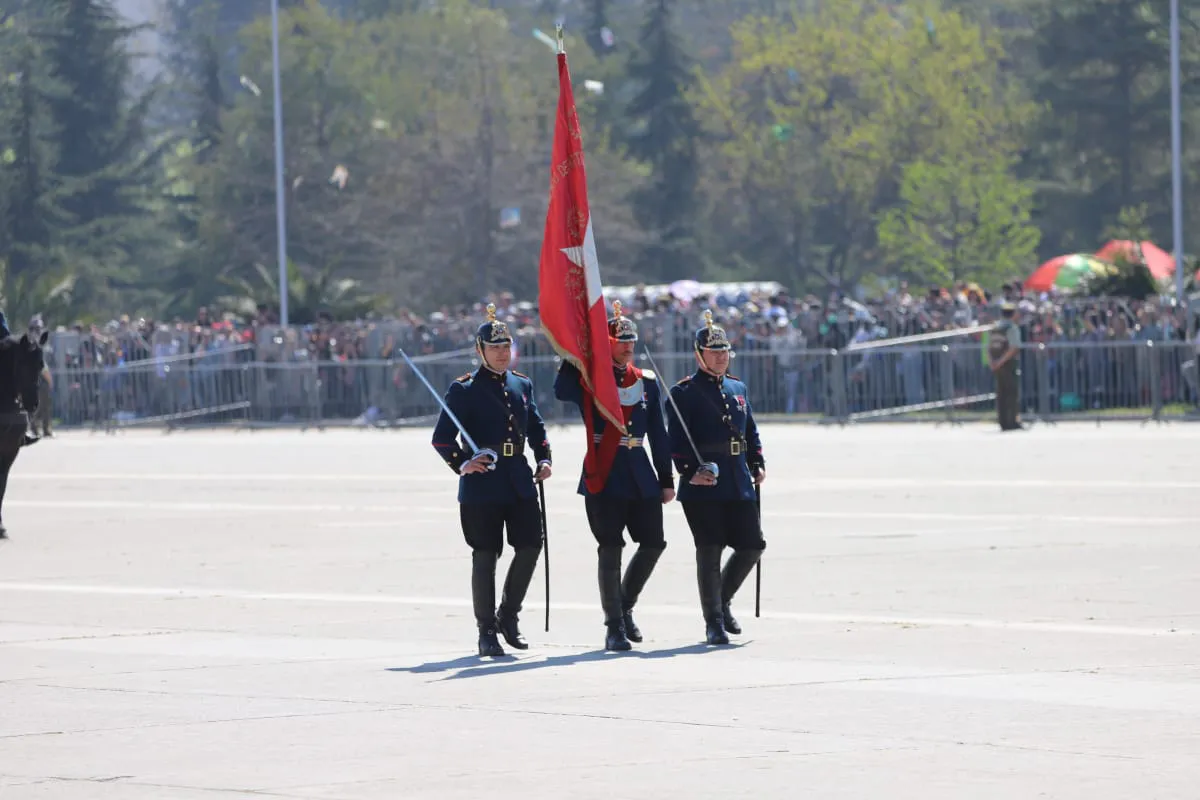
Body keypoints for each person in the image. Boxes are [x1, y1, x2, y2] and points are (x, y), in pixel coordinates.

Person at [430, 303, 553, 657]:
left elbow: (537, 427)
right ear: (480, 351)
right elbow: (441, 438)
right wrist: (462, 463)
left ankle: (508, 615)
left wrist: (544, 458)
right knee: (486, 554)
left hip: (519, 479)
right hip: (483, 483)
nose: (502, 353)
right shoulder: (464, 389)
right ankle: (486, 630)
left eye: (506, 347)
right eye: (495, 348)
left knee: (530, 545)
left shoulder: (522, 384)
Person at [553, 300, 674, 651]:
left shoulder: (646, 383)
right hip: (604, 473)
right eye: (620, 340)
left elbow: (659, 434)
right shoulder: (590, 380)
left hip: (640, 473)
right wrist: (574, 354)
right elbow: (561, 391)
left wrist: (665, 479)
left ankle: (625, 606)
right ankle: (614, 625)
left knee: (653, 543)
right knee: (611, 547)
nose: (628, 346)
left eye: (631, 341)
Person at [665, 310, 766, 646]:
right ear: (699, 355)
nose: (721, 357)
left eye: (725, 351)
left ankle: (721, 601)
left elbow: (749, 429)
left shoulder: (738, 386)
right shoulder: (684, 392)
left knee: (752, 545)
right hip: (703, 483)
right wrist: (689, 471)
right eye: (714, 352)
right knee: (710, 549)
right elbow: (676, 440)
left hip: (737, 478)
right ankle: (713, 621)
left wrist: (757, 461)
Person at [987, 301, 1023, 431]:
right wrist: (1001, 361)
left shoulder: (995, 328)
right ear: (1013, 314)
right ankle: (1011, 421)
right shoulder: (1011, 328)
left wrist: (993, 362)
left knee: (1001, 393)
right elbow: (1013, 347)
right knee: (1012, 393)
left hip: (997, 364)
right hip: (1008, 364)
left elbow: (989, 347)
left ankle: (1002, 421)